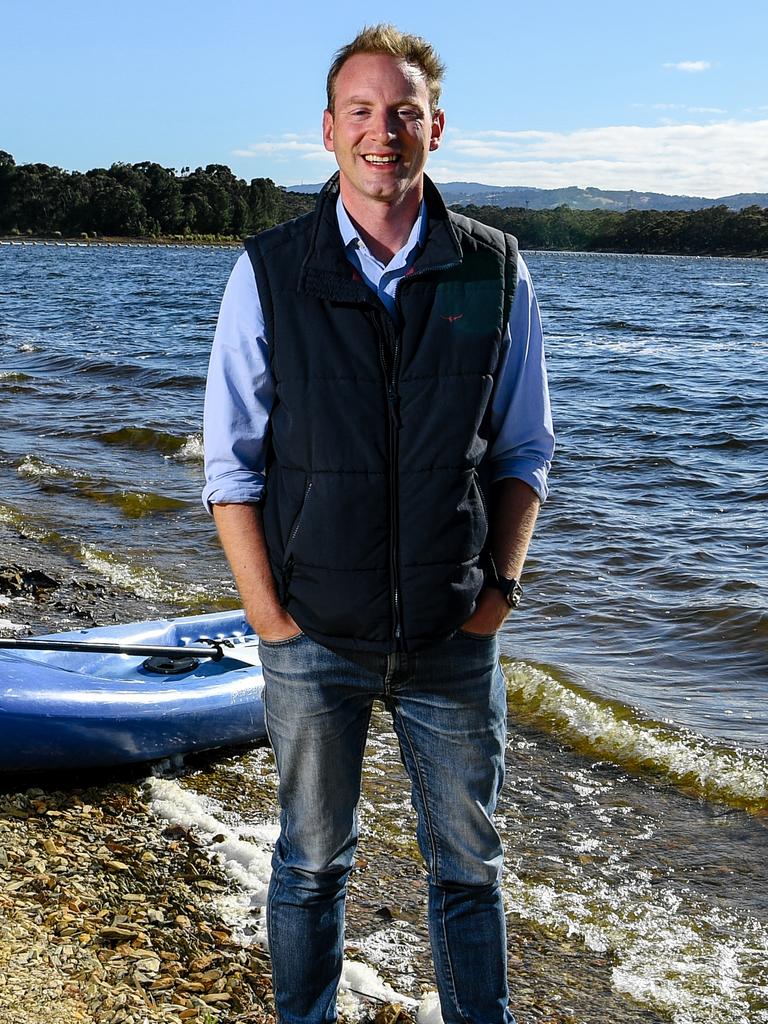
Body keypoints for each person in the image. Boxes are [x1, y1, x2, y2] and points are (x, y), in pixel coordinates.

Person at [203, 23, 554, 1024]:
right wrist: (271, 619)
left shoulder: (494, 268)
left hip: (453, 636)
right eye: (361, 112)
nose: (381, 132)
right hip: (314, 635)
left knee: (470, 872)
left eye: (402, 112)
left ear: (434, 128)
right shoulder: (268, 271)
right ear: (328, 131)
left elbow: (526, 451)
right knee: (313, 862)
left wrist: (499, 596)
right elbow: (230, 469)